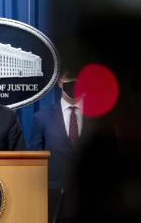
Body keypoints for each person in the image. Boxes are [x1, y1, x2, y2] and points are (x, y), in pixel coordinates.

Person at [29, 70, 84, 223]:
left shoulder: (96, 118)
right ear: (60, 82)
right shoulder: (42, 116)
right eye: (70, 80)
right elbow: (34, 158)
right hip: (55, 201)